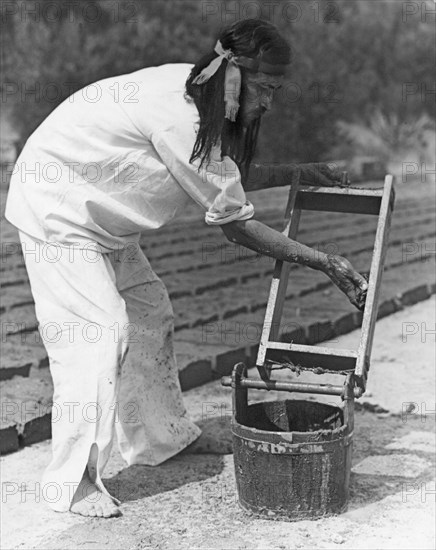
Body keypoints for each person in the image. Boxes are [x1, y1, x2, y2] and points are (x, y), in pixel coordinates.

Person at [5, 19, 367, 518]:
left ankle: (161, 439)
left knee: (150, 313)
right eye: (266, 89)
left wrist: (298, 173)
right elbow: (235, 224)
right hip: (59, 212)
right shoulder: (182, 117)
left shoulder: (202, 93)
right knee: (100, 332)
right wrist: (323, 261)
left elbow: (220, 172)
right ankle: (69, 485)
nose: (268, 103)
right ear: (235, 71)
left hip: (99, 218)